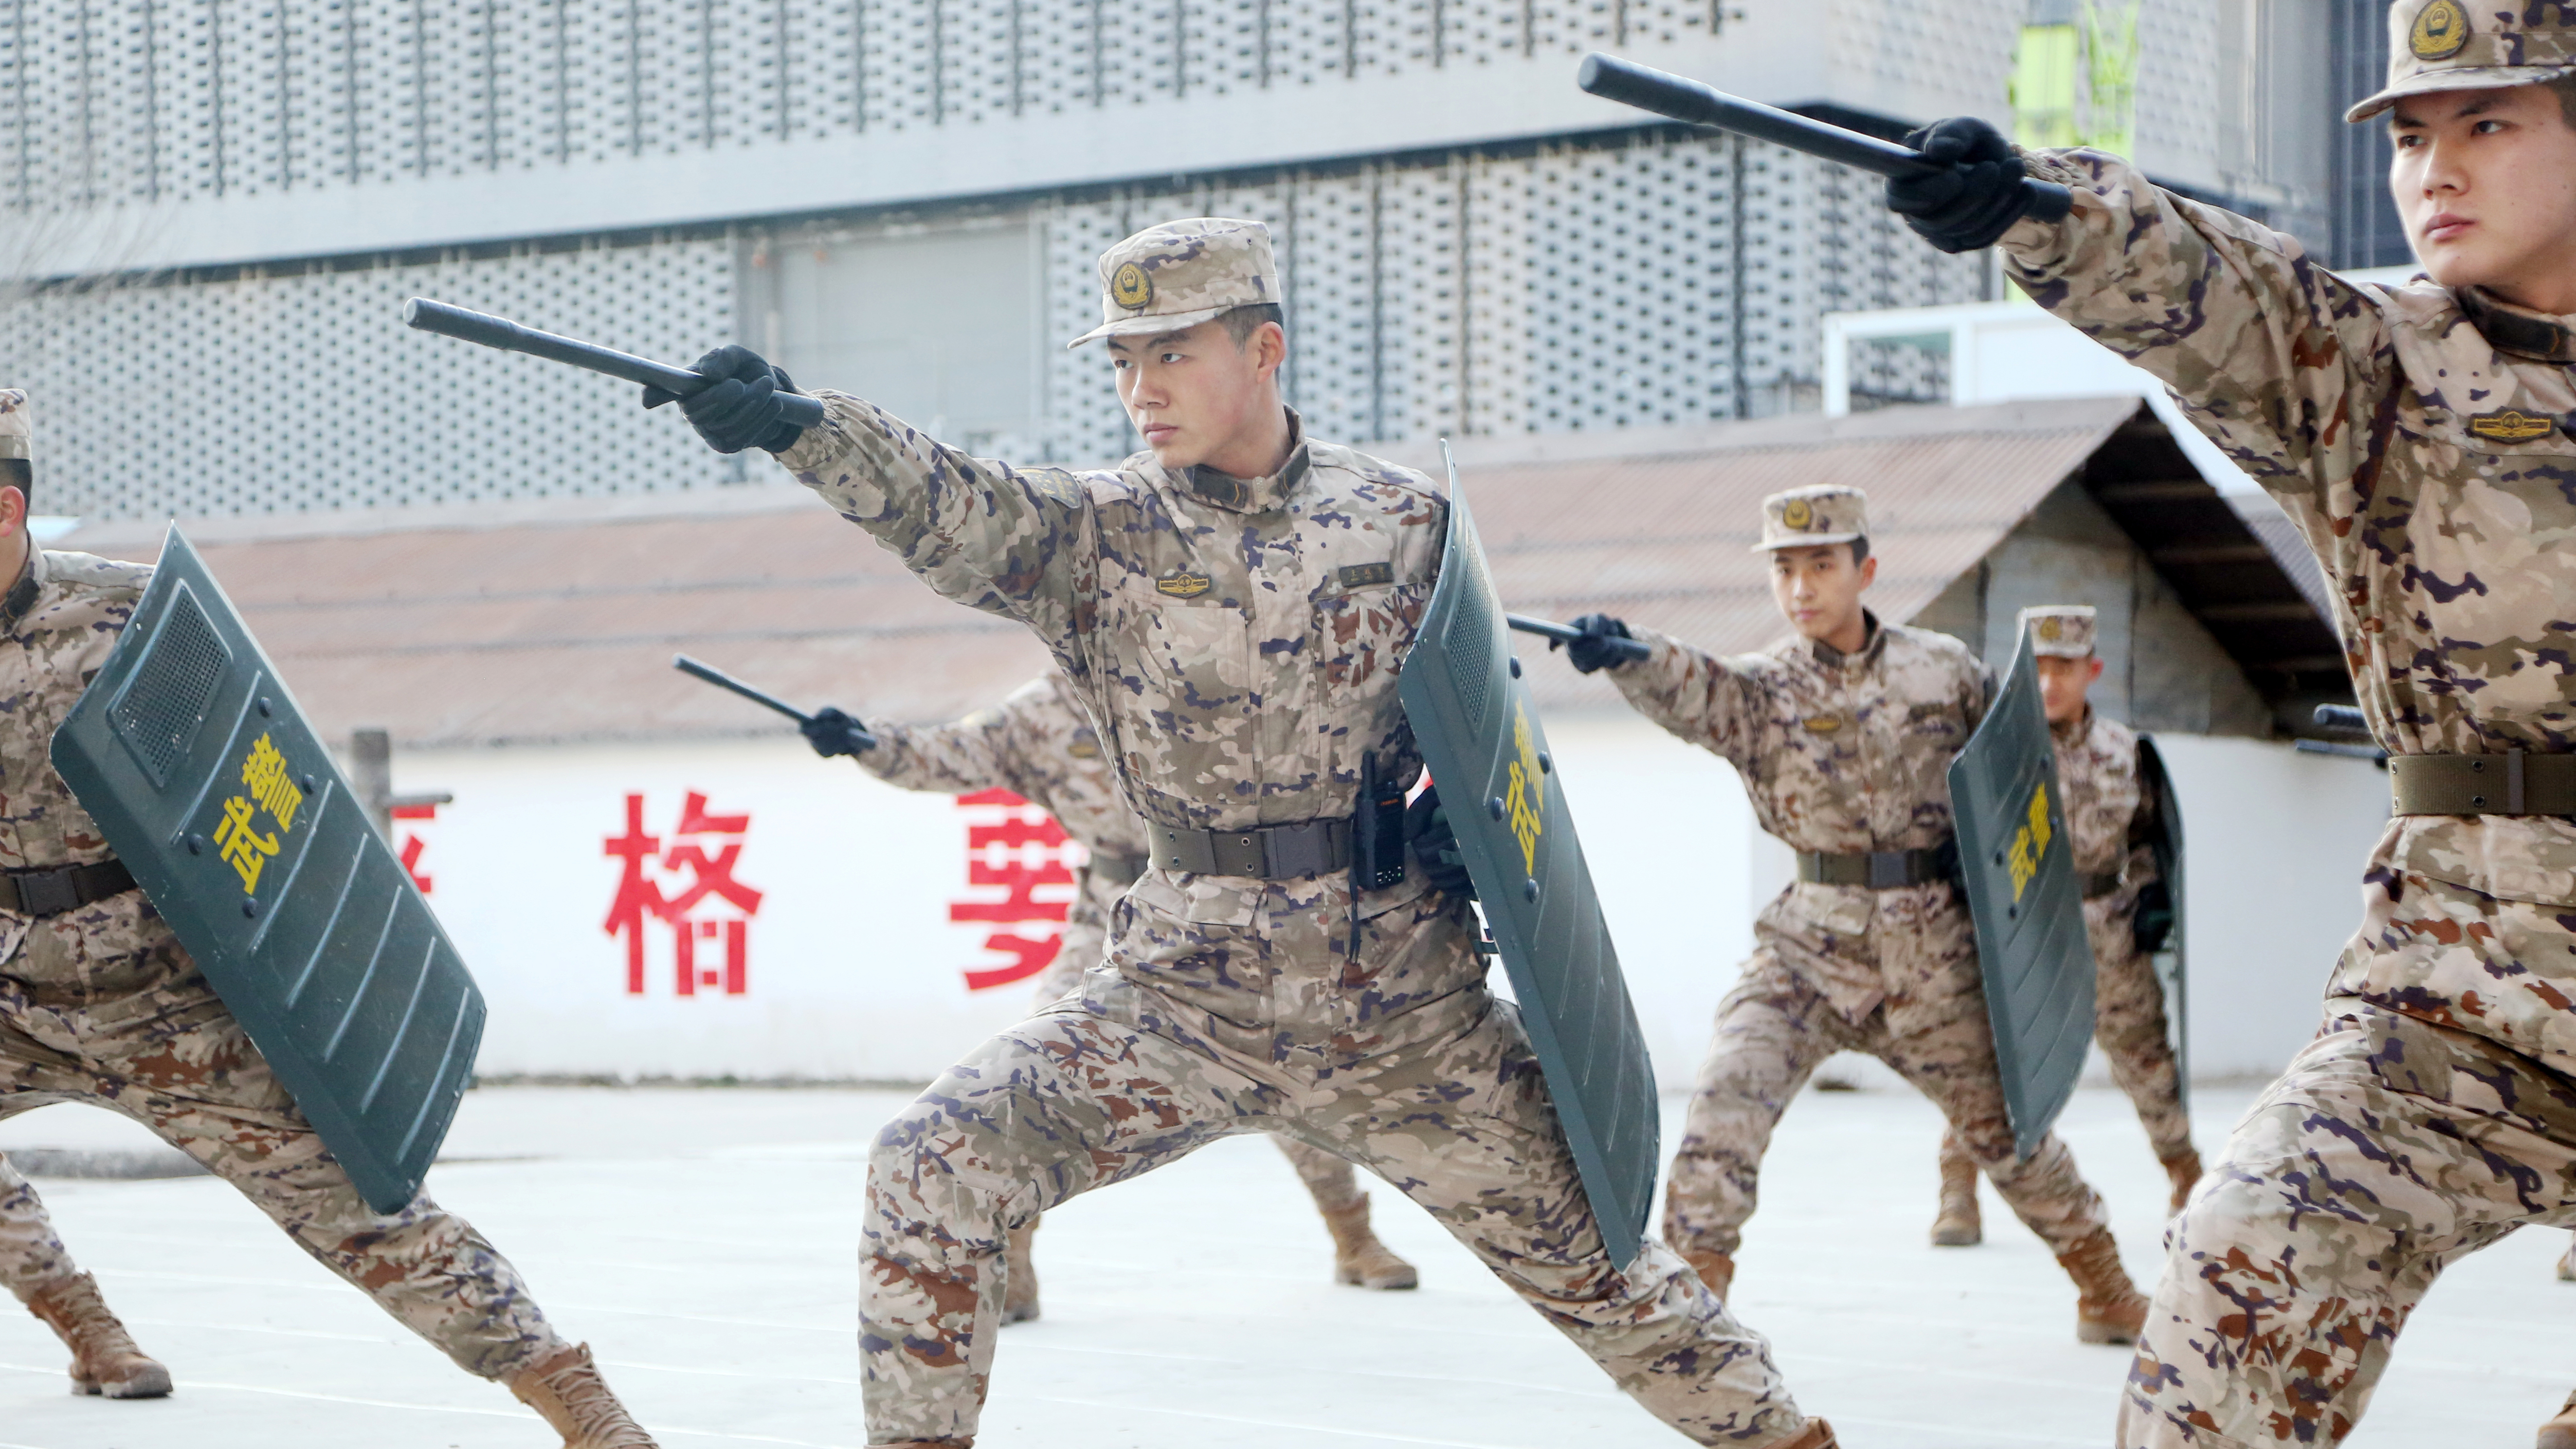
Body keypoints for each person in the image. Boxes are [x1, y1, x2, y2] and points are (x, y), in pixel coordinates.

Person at [651, 218, 1836, 1449]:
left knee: (1612, 1281)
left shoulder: (1405, 524)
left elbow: (1491, 755)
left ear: (1263, 347)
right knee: (929, 1160)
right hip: (1179, 1004)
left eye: (1170, 351)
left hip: (1406, 1017)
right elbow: (951, 506)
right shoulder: (1094, 535)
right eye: (1120, 360)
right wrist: (802, 425)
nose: (1138, 388)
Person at [1883, 4, 2576, 1443]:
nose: (2429, 168)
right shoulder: (2378, 374)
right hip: (2459, 990)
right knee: (2241, 1259)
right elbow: (2222, 293)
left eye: (2484, 124)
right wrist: (2034, 206)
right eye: (2404, 136)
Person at [0, 392, 656, 1444]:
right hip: (15, 999)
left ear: (4, 509)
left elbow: (266, 795)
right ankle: (82, 1317)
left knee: (365, 1212)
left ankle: (572, 1395)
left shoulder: (132, 621)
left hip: (171, 1010)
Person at [1550, 492, 2150, 1345]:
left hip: (1933, 956)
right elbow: (1696, 685)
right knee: (1723, 1112)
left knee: (2012, 1136)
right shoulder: (1766, 690)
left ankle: (2105, 1287)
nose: (1800, 586)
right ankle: (1689, 1326)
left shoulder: (1942, 670)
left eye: (1820, 564)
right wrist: (1626, 654)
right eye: (1784, 568)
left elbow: (2019, 780)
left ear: (1864, 571)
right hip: (1806, 947)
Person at [799, 668, 1421, 1322]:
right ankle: (1015, 1262)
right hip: (1110, 908)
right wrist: (864, 743)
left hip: (1214, 909)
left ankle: (1353, 1238)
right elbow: (948, 756)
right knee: (1036, 1079)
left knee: (1278, 1070)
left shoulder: (1185, 678)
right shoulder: (1038, 711)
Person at [1930, 605, 2199, 1247]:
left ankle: (2186, 1175)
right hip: (2019, 930)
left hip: (2105, 926)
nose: (2049, 683)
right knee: (1986, 1062)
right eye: (2038, 668)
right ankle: (1957, 1191)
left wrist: (2152, 898)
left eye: (2064, 668)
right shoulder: (1995, 755)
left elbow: (2145, 838)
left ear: (2092, 670)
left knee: (2146, 1059)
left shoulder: (2123, 751)